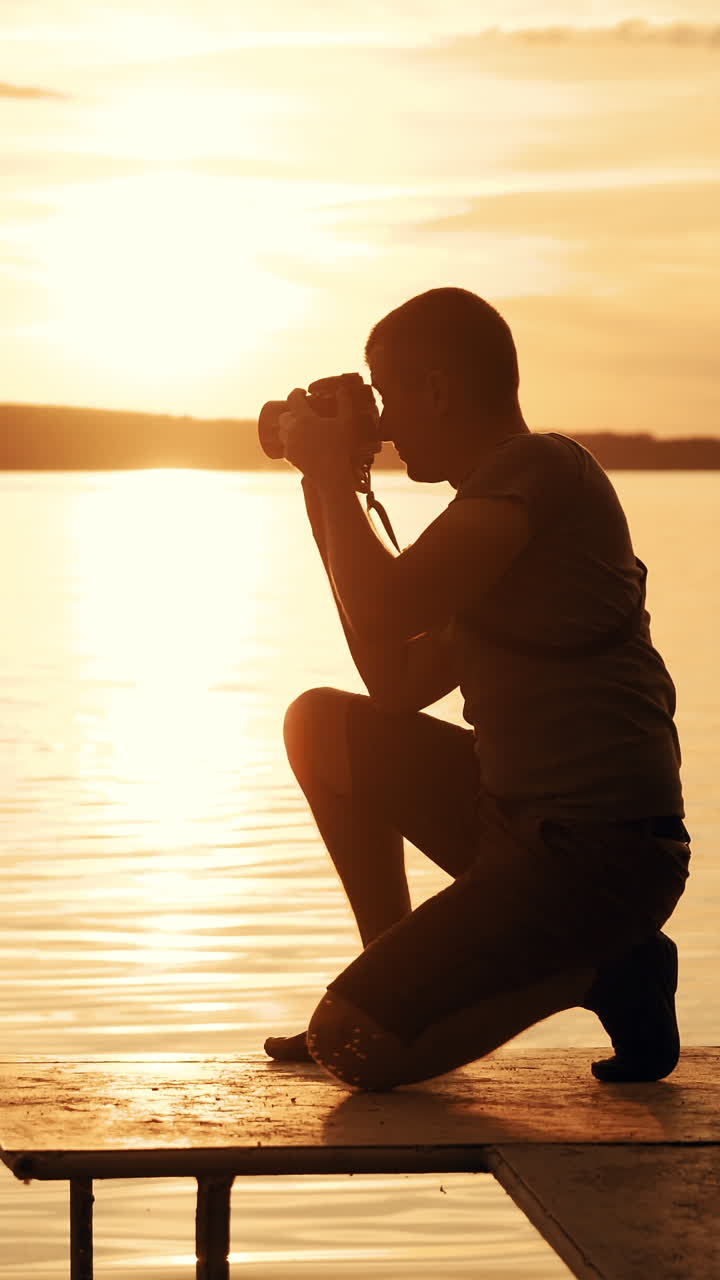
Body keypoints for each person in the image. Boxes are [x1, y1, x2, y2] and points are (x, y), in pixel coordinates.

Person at [263, 286, 691, 1092]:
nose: (382, 423)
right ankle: (389, 969)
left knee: (351, 1048)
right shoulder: (486, 520)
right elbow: (392, 683)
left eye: (386, 395)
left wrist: (327, 474)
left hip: (601, 854)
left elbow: (386, 606)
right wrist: (327, 489)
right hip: (519, 825)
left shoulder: (537, 472)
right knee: (320, 725)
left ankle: (603, 969)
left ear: (437, 389)